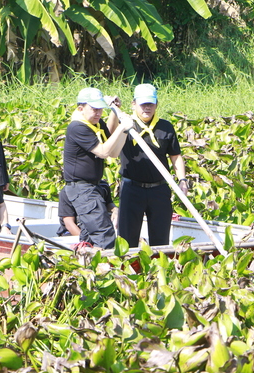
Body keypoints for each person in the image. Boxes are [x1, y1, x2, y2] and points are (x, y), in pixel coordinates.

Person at [118, 84, 188, 247]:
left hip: (159, 189)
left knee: (160, 240)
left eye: (150, 104)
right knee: (127, 240)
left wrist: (182, 180)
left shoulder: (166, 127)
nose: (147, 108)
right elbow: (109, 138)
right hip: (132, 189)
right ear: (134, 104)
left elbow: (175, 156)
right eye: (143, 104)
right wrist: (117, 115)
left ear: (156, 104)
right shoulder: (125, 125)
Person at [62, 87, 132, 249]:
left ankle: (87, 262)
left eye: (100, 109)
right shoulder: (78, 127)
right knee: (104, 233)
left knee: (89, 236)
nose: (98, 113)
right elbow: (103, 151)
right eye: (94, 109)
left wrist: (117, 117)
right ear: (81, 109)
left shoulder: (96, 123)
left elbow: (113, 151)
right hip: (81, 189)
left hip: (94, 186)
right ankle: (108, 264)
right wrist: (122, 127)